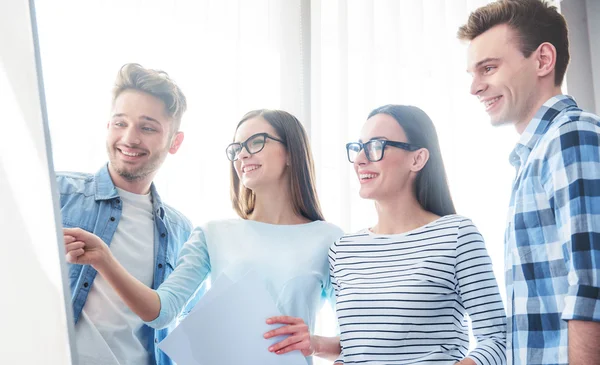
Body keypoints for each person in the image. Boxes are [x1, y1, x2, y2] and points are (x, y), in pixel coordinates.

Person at [64, 109, 344, 364]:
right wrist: (104, 259)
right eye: (237, 148)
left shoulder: (329, 239)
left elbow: (359, 342)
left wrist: (315, 343)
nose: (243, 154)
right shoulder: (213, 234)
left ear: (292, 152)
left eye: (256, 142)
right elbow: (161, 313)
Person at [458, 1, 600, 364]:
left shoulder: (571, 135)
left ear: (543, 60)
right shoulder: (535, 155)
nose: (475, 87)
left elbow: (592, 283)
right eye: (472, 73)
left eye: (488, 68)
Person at [329, 105, 506, 364]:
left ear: (418, 159)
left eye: (376, 146)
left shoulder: (456, 235)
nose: (359, 160)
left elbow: (497, 339)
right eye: (358, 147)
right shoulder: (343, 250)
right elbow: (355, 348)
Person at [57, 63, 202, 365]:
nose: (130, 138)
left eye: (147, 128)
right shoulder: (56, 193)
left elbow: (188, 325)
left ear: (175, 142)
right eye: (120, 123)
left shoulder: (183, 232)